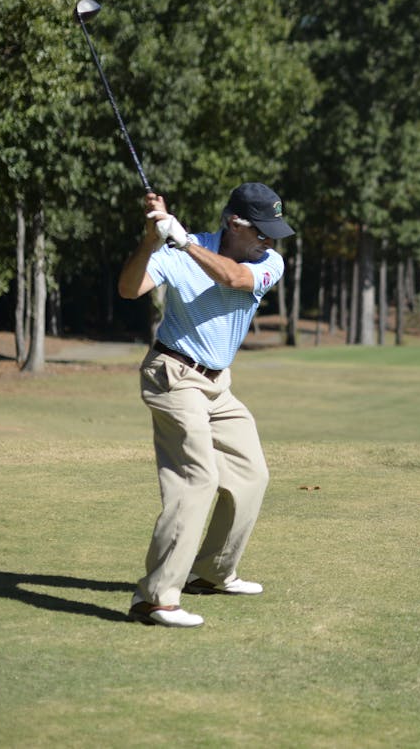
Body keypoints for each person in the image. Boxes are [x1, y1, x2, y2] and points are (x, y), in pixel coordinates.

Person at [117, 182, 294, 628]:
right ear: (235, 223)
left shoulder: (268, 262)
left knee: (252, 474)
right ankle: (154, 599)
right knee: (197, 478)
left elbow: (232, 278)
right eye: (262, 231)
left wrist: (184, 241)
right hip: (172, 376)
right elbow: (128, 288)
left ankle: (212, 573)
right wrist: (152, 239)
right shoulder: (179, 248)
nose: (270, 241)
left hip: (219, 385)